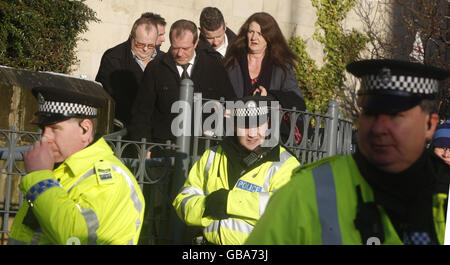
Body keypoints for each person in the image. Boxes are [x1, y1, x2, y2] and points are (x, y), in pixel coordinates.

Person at [246, 59, 450, 245]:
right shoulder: (305, 193)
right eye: (370, 113)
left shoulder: (443, 193)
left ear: (429, 125)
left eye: (395, 116)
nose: (379, 129)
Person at [8, 86, 145, 245]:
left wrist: (39, 178)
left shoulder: (110, 179)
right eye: (43, 129)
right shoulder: (59, 171)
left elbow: (76, 238)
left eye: (54, 129)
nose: (45, 138)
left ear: (85, 130)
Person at [172, 95, 300, 245]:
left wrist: (229, 202)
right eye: (245, 125)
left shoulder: (286, 164)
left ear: (267, 123)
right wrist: (207, 206)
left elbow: (288, 209)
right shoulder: (212, 156)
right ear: (233, 124)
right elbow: (182, 200)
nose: (252, 133)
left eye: (258, 124)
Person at [129, 19, 236, 146]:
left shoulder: (213, 67)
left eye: (185, 48)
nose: (180, 54)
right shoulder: (156, 68)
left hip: (203, 148)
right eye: (175, 48)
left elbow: (231, 103)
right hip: (164, 149)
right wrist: (144, 146)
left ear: (196, 43)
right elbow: (142, 112)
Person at [223, 12, 306, 143]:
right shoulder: (232, 60)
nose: (254, 37)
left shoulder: (281, 65)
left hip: (268, 137)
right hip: (234, 133)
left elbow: (297, 100)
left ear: (269, 37)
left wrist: (270, 96)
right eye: (251, 32)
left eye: (260, 33)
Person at [95, 12, 160, 130]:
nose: (145, 49)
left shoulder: (162, 60)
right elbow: (114, 97)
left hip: (154, 130)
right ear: (131, 38)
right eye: (140, 45)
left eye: (150, 46)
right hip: (123, 128)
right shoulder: (114, 58)